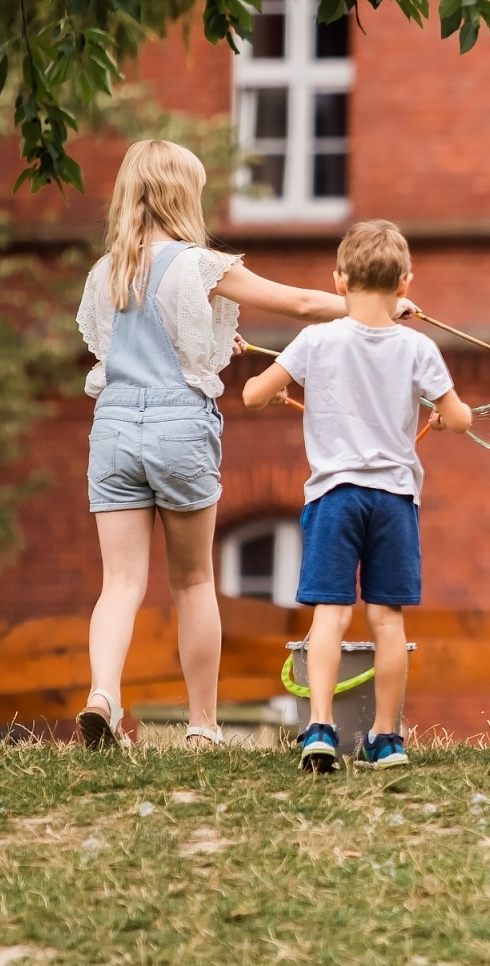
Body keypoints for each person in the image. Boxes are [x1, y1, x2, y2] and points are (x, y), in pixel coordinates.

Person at [75, 140, 416, 751]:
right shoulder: (200, 265)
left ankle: (103, 694)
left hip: (115, 427)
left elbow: (125, 350)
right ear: (183, 195)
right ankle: (203, 725)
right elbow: (301, 303)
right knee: (193, 582)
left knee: (120, 582)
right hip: (179, 428)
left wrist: (206, 347)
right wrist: (374, 307)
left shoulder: (107, 271)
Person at [243, 219, 471, 771]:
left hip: (334, 497)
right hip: (393, 500)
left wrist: (275, 393)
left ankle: (320, 727)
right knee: (387, 620)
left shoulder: (316, 339)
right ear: (405, 284)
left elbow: (251, 396)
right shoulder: (418, 347)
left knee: (330, 615)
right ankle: (386, 737)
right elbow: (461, 417)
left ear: (339, 280)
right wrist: (441, 418)